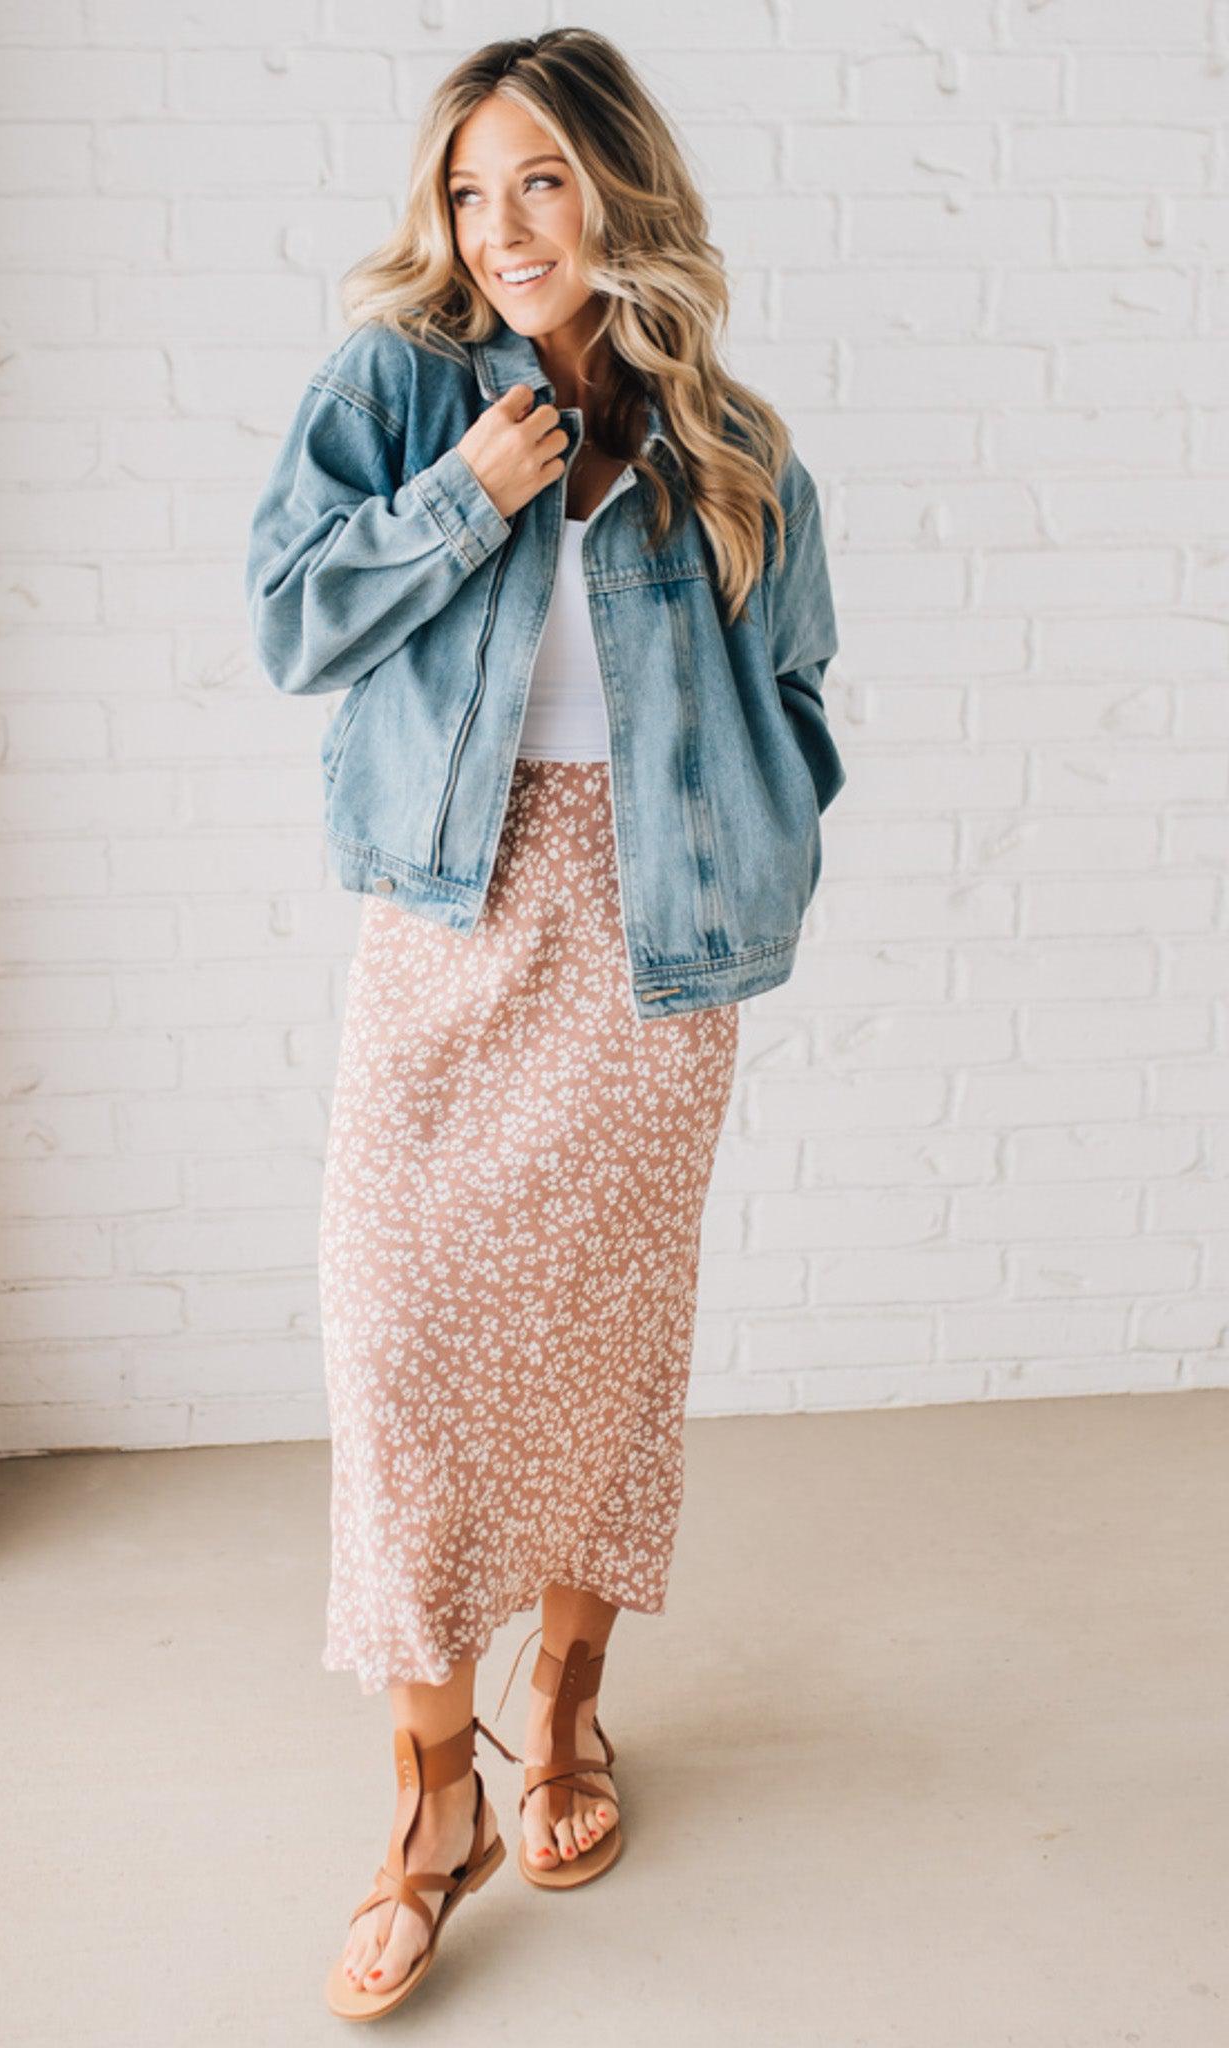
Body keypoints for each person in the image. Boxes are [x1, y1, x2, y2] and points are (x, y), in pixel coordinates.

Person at [244, 27, 845, 2024]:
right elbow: (287, 621)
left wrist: (747, 850)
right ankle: (431, 1798)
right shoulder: (401, 384)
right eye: (470, 190)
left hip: (649, 947)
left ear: (612, 194)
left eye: (539, 185)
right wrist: (455, 499)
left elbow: (799, 692)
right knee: (395, 1335)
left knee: (597, 1335)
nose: (499, 227)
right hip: (449, 914)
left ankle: (571, 1700)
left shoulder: (721, 432)